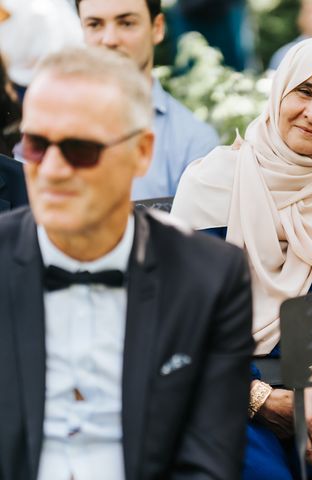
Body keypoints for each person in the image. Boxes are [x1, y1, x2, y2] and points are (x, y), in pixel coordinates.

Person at [0, 46, 254, 480]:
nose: (54, 170)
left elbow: (208, 464)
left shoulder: (210, 279)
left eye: (81, 149)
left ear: (141, 151)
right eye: (38, 145)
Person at [171, 37, 312, 479]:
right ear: (279, 92)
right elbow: (186, 320)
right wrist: (257, 397)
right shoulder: (211, 184)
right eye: (304, 91)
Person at [76, 0, 220, 200]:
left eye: (126, 23)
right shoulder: (47, 124)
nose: (109, 39)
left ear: (157, 28)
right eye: (94, 25)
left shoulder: (194, 144)